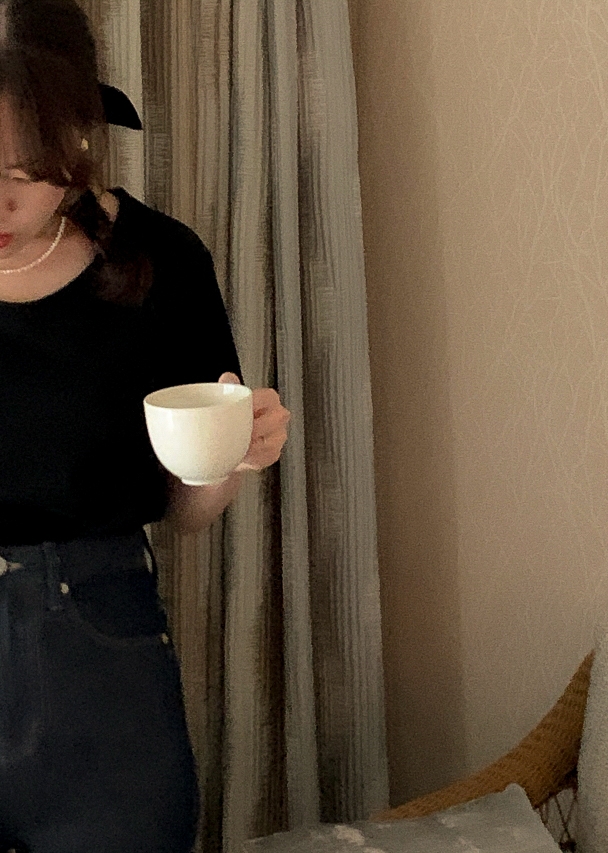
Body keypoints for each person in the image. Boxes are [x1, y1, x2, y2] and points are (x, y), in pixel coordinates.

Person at [0, 0, 291, 851]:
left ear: (78, 141)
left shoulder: (159, 262)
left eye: (25, 169)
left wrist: (232, 454)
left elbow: (186, 511)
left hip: (96, 654)